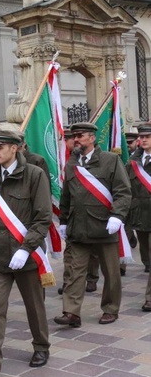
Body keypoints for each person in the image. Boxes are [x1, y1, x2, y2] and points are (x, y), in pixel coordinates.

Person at [0, 130, 52, 377]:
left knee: (34, 306)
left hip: (26, 256)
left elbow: (43, 218)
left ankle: (41, 346)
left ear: (15, 148)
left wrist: (26, 248)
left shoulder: (34, 175)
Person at [55, 122, 131, 327]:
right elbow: (66, 195)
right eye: (74, 136)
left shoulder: (110, 160)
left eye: (80, 135)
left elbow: (123, 192)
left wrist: (117, 216)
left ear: (92, 138)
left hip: (104, 227)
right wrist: (63, 221)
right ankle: (71, 312)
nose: (76, 139)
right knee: (74, 271)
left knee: (111, 273)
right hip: (78, 228)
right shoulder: (72, 163)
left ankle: (110, 308)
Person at [130, 125, 151, 312]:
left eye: (147, 136)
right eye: (141, 137)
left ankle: (149, 298)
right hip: (139, 212)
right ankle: (147, 263)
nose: (143, 140)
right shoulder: (134, 160)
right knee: (145, 247)